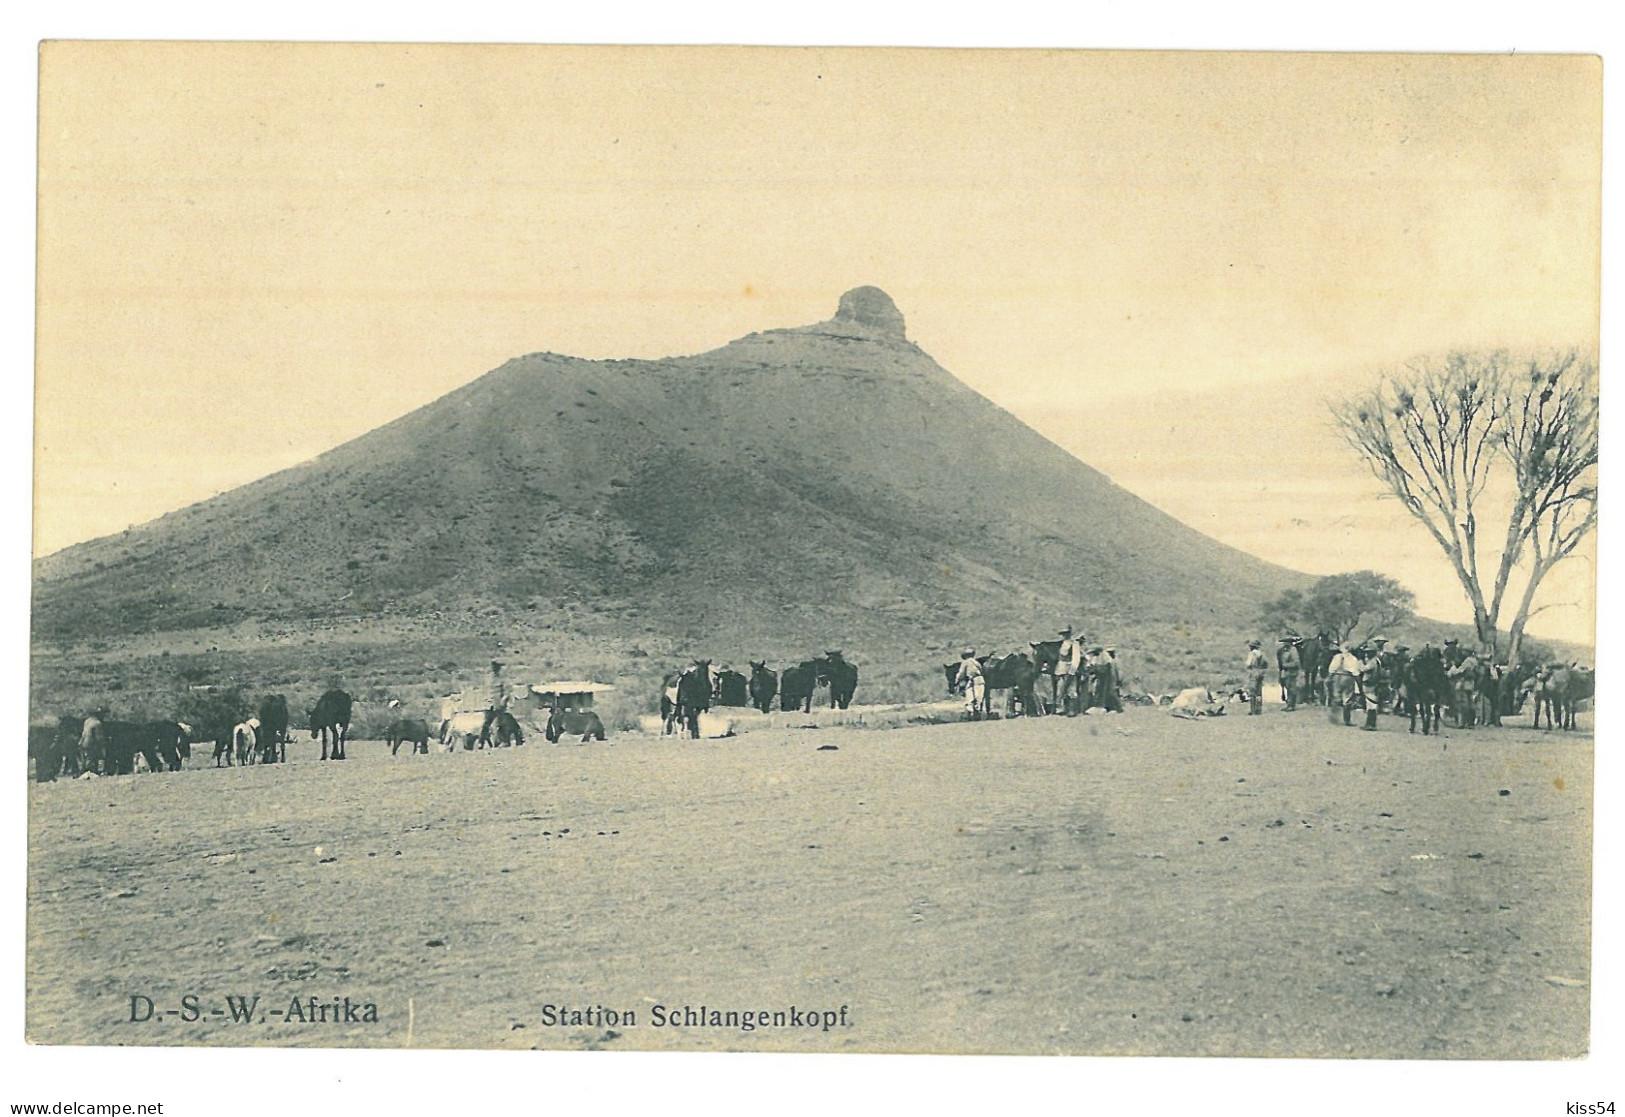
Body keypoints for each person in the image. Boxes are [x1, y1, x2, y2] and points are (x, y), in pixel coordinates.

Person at [1325, 642, 1363, 726]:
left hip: (1337, 676)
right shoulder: (1353, 659)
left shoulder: (1337, 657)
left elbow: (1331, 669)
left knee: (1336, 696)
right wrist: (1359, 684)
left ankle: (1334, 717)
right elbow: (1356, 673)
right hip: (1347, 677)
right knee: (1347, 698)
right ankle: (1347, 720)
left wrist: (1329, 678)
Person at [480, 660, 510, 746]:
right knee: (486, 723)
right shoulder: (488, 679)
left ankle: (503, 741)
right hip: (489, 705)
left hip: (499, 704)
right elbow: (485, 691)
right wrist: (485, 701)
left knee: (501, 723)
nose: (494, 670)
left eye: (496, 668)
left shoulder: (503, 679)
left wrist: (503, 700)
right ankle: (481, 742)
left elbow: (507, 691)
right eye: (493, 668)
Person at [1056, 626, 1084, 716]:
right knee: (1061, 688)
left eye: (1065, 634)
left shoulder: (1074, 644)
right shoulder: (1062, 644)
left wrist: (1072, 670)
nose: (1064, 636)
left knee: (1071, 689)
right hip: (1061, 669)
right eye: (1063, 634)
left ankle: (1072, 710)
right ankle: (1063, 708)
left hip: (1069, 668)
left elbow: (1076, 658)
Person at [955, 648, 986, 720]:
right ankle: (979, 713)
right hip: (980, 680)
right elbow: (982, 670)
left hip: (972, 681)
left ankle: (970, 713)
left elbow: (961, 673)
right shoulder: (976, 662)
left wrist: (957, 681)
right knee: (979, 697)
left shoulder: (965, 662)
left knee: (970, 697)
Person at [1276, 636, 1301, 711]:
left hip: (1292, 672)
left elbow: (1296, 662)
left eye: (1286, 642)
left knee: (1292, 688)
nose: (1284, 643)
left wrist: (1286, 665)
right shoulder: (1284, 650)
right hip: (1286, 672)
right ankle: (1289, 704)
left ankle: (1292, 705)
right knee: (1288, 688)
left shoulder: (1293, 650)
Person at [1244, 640, 1269, 715]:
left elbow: (1248, 664)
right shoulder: (1262, 654)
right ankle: (1259, 709)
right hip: (1261, 673)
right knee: (1259, 692)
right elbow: (1266, 663)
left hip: (1253, 672)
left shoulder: (1251, 654)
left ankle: (1253, 709)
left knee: (1252, 692)